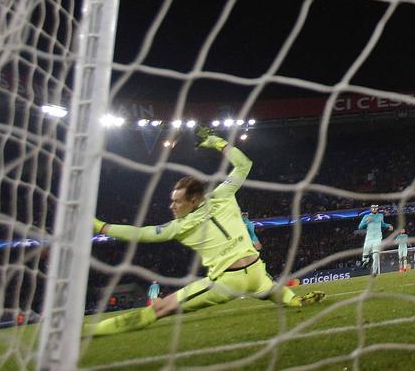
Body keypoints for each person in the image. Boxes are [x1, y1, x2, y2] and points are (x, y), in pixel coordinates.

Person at [86, 127, 324, 336]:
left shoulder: (181, 226)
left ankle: (90, 332)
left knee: (160, 308)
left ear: (193, 200)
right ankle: (295, 300)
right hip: (257, 271)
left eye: (177, 201)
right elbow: (244, 164)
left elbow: (141, 234)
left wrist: (101, 227)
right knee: (272, 291)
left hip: (228, 281)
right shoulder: (223, 194)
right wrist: (216, 142)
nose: (172, 206)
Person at [357, 204, 393, 276]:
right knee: (365, 255)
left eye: (375, 208)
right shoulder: (366, 216)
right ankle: (365, 262)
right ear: (370, 209)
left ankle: (374, 272)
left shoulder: (380, 216)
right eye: (373, 208)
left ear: (377, 208)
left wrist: (389, 225)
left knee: (376, 255)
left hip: (377, 238)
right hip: (369, 239)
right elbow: (360, 227)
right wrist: (366, 222)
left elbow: (382, 224)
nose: (374, 209)